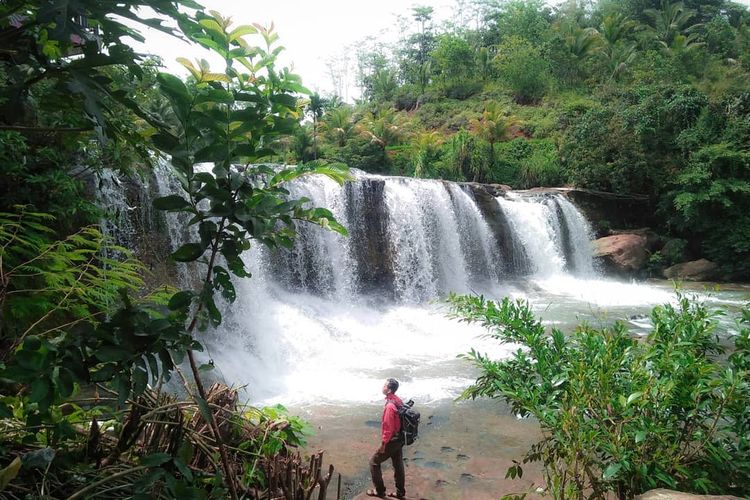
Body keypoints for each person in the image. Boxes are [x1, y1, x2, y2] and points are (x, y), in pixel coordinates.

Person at [367, 378, 406, 499]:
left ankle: (380, 491)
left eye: (384, 385)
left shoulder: (390, 406)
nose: (382, 386)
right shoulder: (397, 400)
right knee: (398, 464)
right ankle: (400, 493)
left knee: (374, 462)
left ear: (389, 390)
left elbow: (388, 427)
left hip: (392, 440)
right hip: (400, 438)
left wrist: (384, 444)